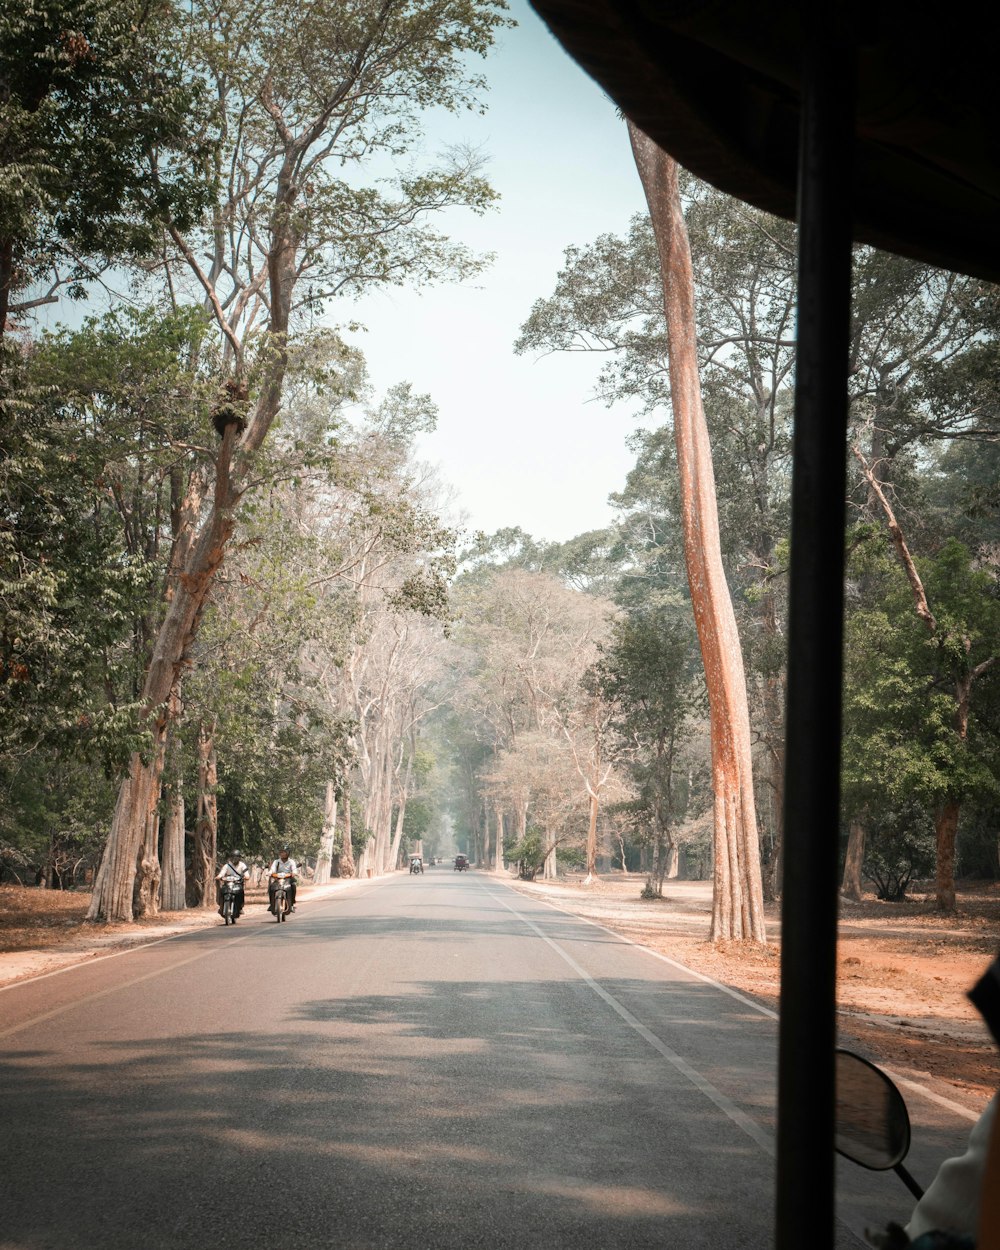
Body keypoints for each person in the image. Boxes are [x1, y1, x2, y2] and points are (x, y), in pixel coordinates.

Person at [215, 850, 249, 920]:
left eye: (236, 858)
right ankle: (220, 905)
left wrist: (246, 877)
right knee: (222, 891)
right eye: (233, 858)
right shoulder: (227, 865)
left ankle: (240, 907)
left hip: (238, 884)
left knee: (241, 892)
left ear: (239, 858)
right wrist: (219, 876)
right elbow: (222, 873)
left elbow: (247, 874)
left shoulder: (242, 865)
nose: (234, 859)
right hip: (227, 884)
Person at [268, 846, 298, 913]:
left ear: (288, 853)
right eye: (281, 852)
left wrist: (294, 873)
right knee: (271, 888)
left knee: (293, 885)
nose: (282, 854)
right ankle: (271, 904)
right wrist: (270, 873)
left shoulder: (291, 862)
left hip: (288, 879)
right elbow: (273, 869)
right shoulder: (276, 862)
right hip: (278, 879)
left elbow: (294, 870)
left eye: (284, 852)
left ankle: (292, 904)